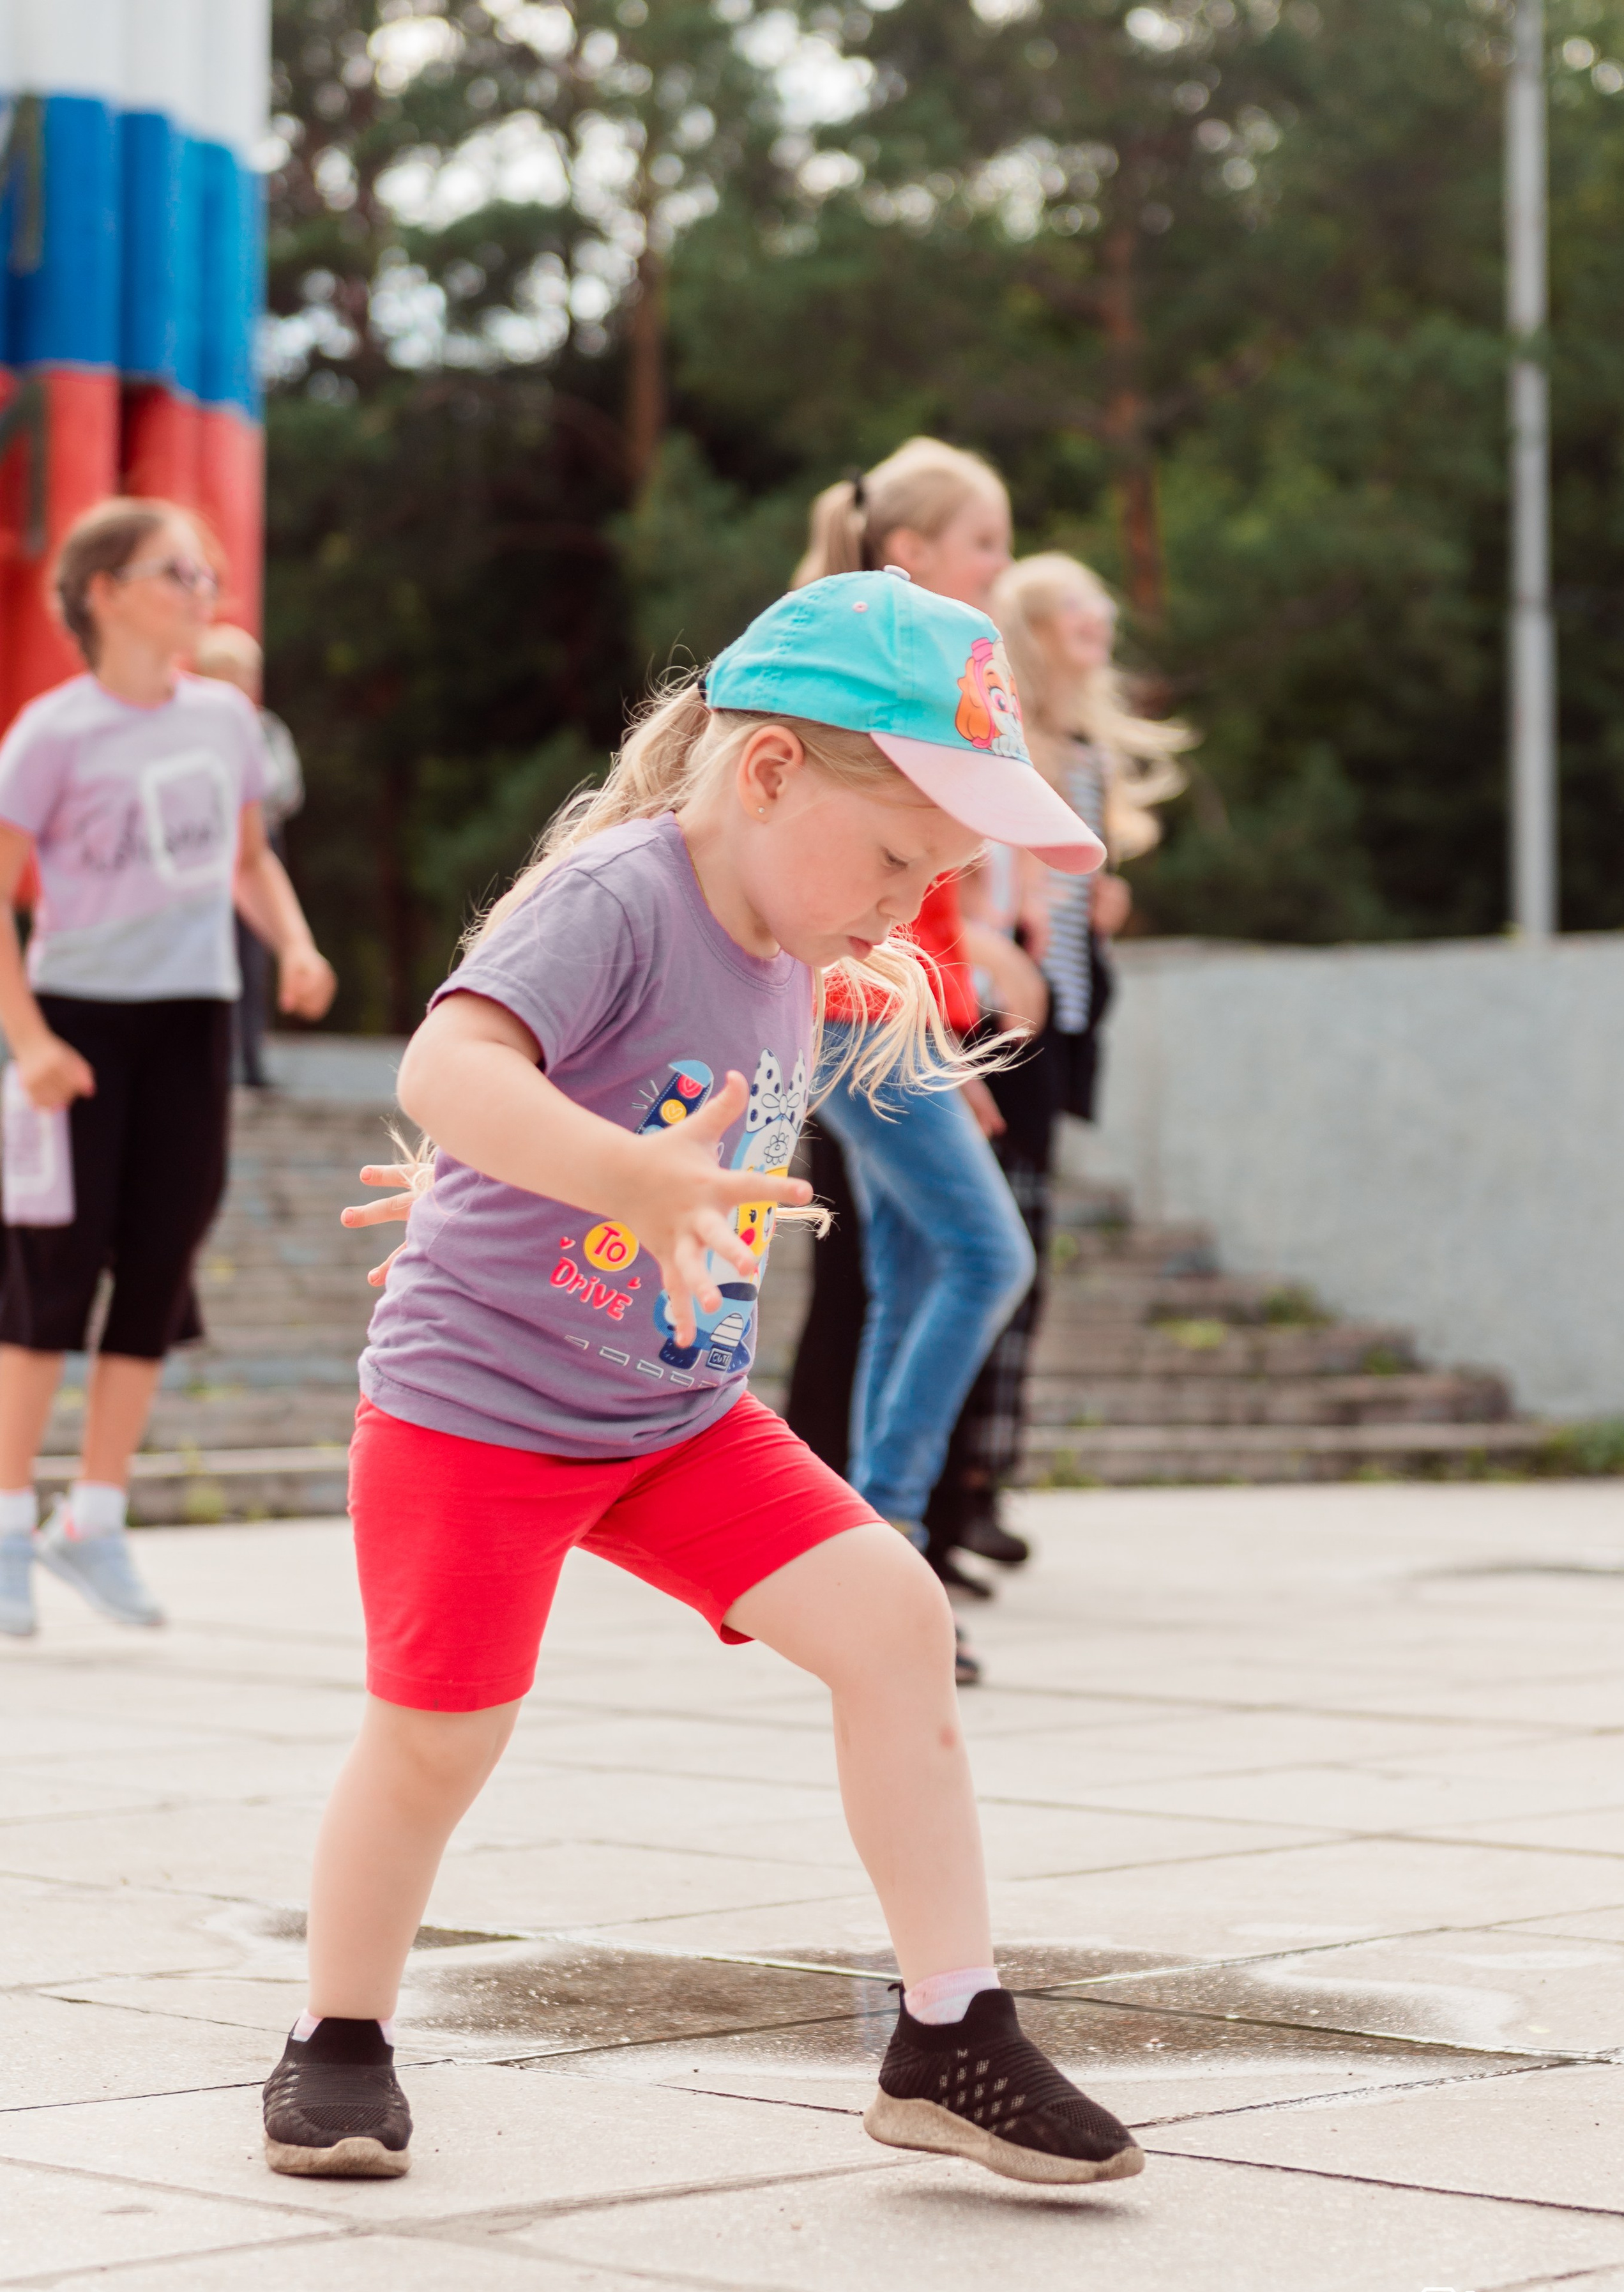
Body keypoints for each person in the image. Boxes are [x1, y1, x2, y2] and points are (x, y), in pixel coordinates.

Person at [259, 569, 1140, 2197]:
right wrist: (611, 1178)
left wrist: (546, 1182)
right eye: (897, 859)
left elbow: (602, 1096)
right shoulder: (616, 890)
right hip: (478, 1415)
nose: (905, 904)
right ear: (770, 772)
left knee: (894, 1622)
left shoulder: (794, 936)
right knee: (440, 1738)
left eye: (936, 878)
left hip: (672, 1416)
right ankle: (339, 2033)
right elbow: (450, 1061)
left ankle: (948, 2031)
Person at [0, 498, 336, 1637]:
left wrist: (294, 943)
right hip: (75, 1028)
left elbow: (247, 861)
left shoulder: (227, 721)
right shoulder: (51, 733)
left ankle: (94, 1519)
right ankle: (7, 1522)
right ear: (104, 593)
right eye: (177, 573)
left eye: (205, 574)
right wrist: (30, 1041)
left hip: (194, 1020)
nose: (204, 592)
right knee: (50, 1276)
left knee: (157, 1265)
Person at [784, 441, 1046, 1673]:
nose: (1001, 565)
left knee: (910, 1273)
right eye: (986, 542)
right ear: (911, 553)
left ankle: (871, 1565)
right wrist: (932, 1034)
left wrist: (946, 1036)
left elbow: (929, 892)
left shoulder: (893, 663)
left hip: (881, 1010)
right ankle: (886, 1547)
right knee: (989, 1256)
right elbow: (890, 878)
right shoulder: (894, 670)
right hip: (861, 1007)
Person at [925, 553, 1196, 1578]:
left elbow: (1064, 893)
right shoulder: (998, 737)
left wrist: (1098, 911)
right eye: (1075, 605)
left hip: (1056, 1019)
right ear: (1032, 629)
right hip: (986, 1015)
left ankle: (976, 1481)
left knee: (1016, 1257)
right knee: (983, 1256)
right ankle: (940, 1493)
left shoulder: (1085, 755)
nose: (1099, 618)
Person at [193, 625, 307, 1090]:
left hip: (259, 843)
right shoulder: (187, 729)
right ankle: (208, 1059)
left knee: (253, 958)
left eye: (246, 674)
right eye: (229, 673)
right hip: (203, 849)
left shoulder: (268, 730)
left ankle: (252, 1058)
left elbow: (288, 790)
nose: (242, 683)